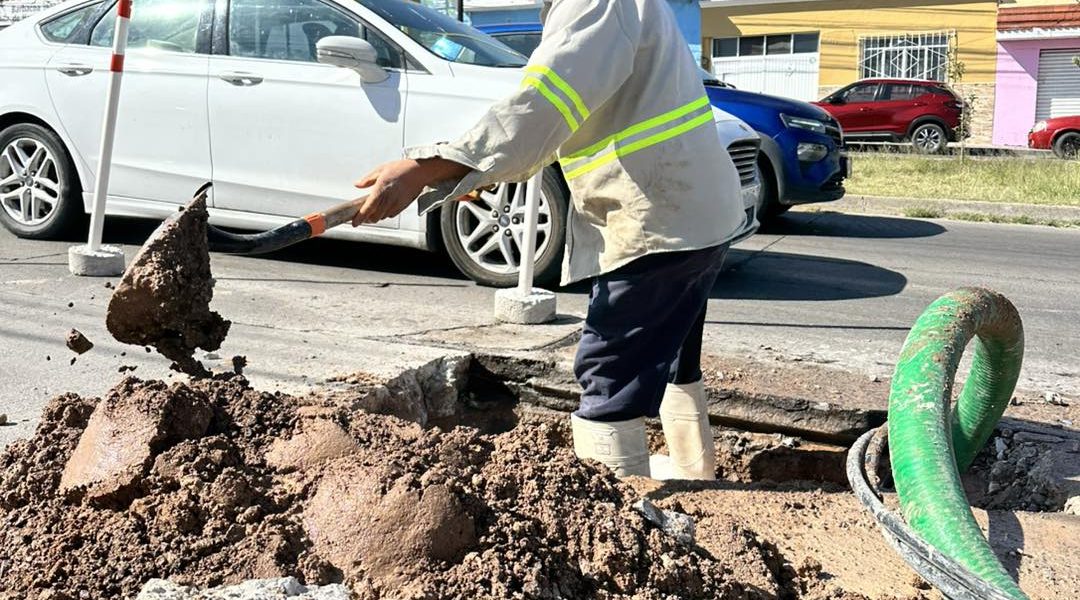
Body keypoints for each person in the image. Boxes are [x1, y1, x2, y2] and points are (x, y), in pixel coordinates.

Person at [349, 0, 744, 480]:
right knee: (674, 348)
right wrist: (471, 167)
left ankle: (615, 507)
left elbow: (544, 104)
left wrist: (429, 167)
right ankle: (694, 471)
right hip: (698, 210)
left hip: (657, 216)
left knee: (609, 369)